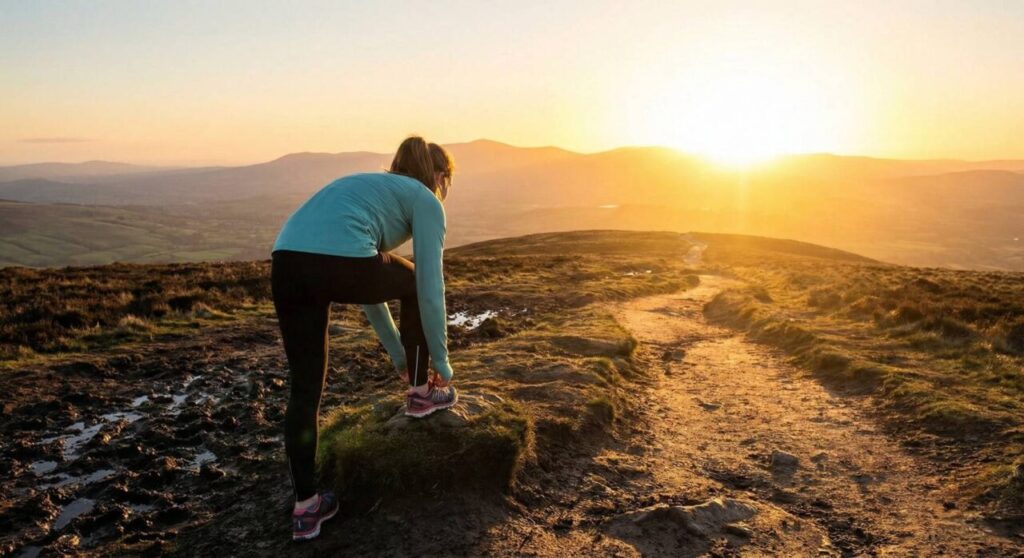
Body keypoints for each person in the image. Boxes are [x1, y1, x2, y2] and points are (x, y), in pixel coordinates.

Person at [269, 136, 457, 541]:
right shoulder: (426, 199)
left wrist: (396, 355)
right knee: (412, 282)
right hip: (334, 261)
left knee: (305, 391)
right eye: (447, 181)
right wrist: (442, 363)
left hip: (285, 262)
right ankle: (423, 392)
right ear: (439, 176)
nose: (445, 189)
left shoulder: (375, 188)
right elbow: (428, 285)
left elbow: (369, 291)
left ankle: (306, 508)